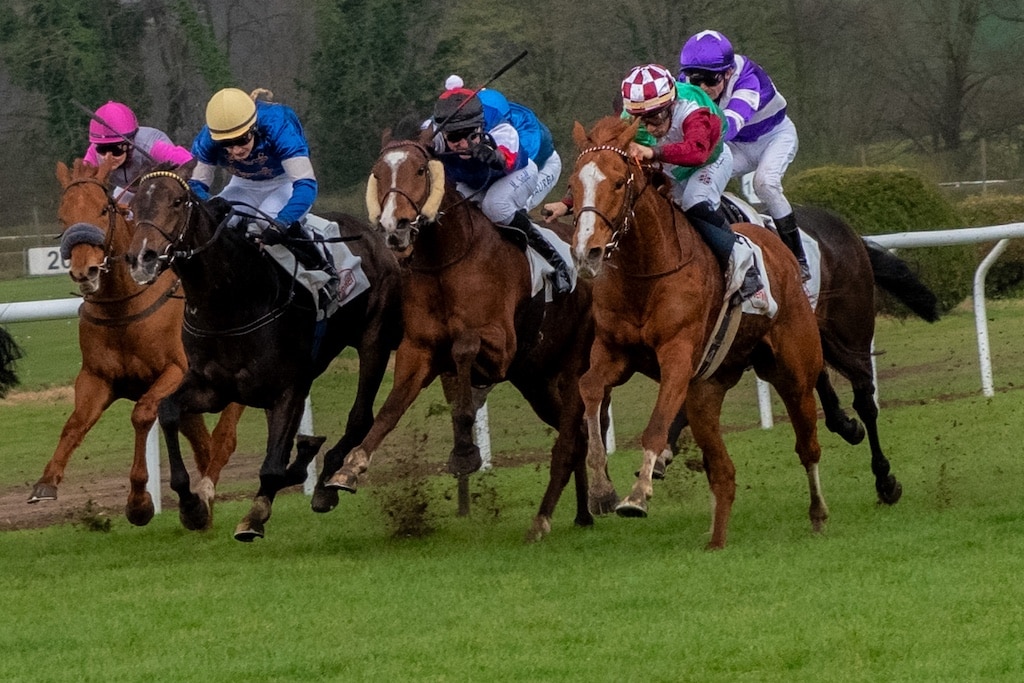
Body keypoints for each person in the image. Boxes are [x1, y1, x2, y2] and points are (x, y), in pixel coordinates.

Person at [188, 87, 339, 306]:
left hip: (284, 180)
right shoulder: (206, 139)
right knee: (215, 220)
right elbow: (195, 185)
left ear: (254, 128)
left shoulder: (278, 124)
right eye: (226, 144)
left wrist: (283, 222)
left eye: (241, 140)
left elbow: (306, 185)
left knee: (265, 220)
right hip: (243, 184)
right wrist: (211, 203)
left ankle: (323, 271)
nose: (236, 151)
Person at [679, 29, 808, 280]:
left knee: (765, 184)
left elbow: (730, 124)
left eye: (711, 80)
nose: (703, 88)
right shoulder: (685, 82)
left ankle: (798, 258)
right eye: (696, 80)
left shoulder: (749, 78)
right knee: (692, 185)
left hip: (773, 137)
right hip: (736, 146)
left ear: (728, 73)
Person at [431, 85, 572, 294]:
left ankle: (556, 264)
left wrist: (496, 157)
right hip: (474, 181)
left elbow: (507, 160)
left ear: (480, 127)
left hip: (518, 172)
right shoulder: (435, 137)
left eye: (468, 135)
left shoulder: (502, 132)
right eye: (453, 138)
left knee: (495, 206)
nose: (461, 143)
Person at [84, 101, 192, 203]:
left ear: (130, 143)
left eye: (115, 150)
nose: (107, 158)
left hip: (162, 188)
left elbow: (190, 163)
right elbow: (82, 185)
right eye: (102, 150)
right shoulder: (93, 154)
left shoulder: (152, 146)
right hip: (129, 192)